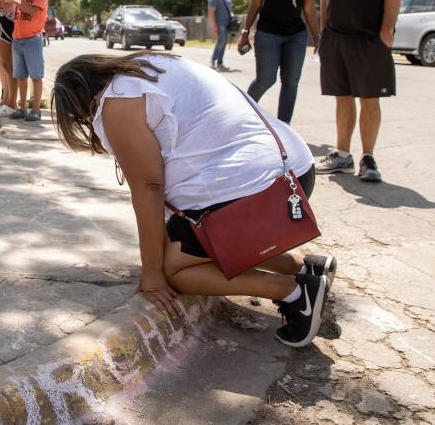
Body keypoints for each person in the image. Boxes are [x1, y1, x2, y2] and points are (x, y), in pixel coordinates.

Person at [51, 52, 336, 348]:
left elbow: (148, 187)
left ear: (82, 103)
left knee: (175, 268)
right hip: (293, 173)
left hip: (259, 192)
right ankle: (303, 266)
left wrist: (152, 273)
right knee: (192, 240)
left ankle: (294, 291)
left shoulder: (118, 102)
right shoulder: (153, 67)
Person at [316, 0, 408, 183]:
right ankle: (342, 155)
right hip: (336, 37)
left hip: (368, 37)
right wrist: (323, 32)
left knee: (369, 98)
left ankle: (368, 158)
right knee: (342, 97)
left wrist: (386, 30)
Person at [239, 0, 321, 123]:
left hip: (296, 35)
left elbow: (309, 7)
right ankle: (243, 116)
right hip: (268, 33)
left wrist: (317, 36)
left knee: (291, 83)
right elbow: (256, 3)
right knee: (266, 79)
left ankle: (284, 127)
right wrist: (245, 32)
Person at [0, 0, 48, 122]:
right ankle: (22, 108)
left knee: (36, 76)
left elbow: (33, 11)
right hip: (17, 39)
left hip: (33, 39)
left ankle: (35, 109)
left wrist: (15, 1)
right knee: (20, 76)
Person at [208, 0, 234, 71]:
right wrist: (214, 25)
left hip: (227, 23)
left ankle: (220, 63)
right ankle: (213, 60)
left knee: (224, 42)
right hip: (220, 23)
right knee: (221, 41)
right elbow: (211, 12)